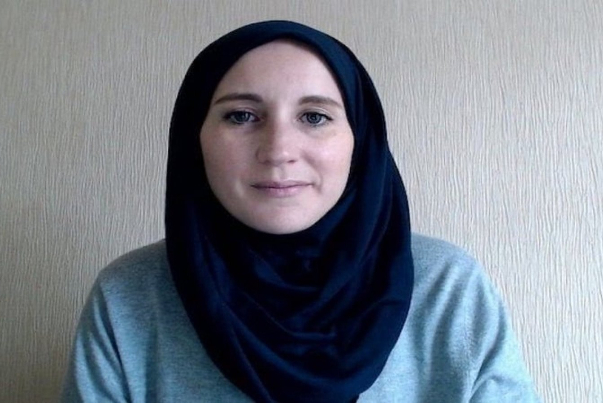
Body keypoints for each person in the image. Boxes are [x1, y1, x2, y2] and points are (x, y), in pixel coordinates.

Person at [61, 20, 540, 402]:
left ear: (360, 142)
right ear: (195, 138)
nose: (278, 150)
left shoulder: (447, 288)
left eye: (314, 116)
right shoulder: (129, 297)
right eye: (241, 116)